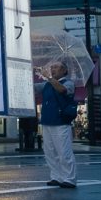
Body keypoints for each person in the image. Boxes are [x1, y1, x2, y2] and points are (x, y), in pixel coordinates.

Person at [38, 60, 77, 189]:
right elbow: (32, 87)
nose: (53, 69)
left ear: (64, 70)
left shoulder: (68, 83)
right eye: (52, 67)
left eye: (56, 67)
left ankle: (69, 179)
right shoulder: (47, 84)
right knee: (49, 152)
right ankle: (56, 176)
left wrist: (48, 77)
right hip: (47, 121)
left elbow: (61, 90)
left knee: (63, 151)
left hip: (61, 121)